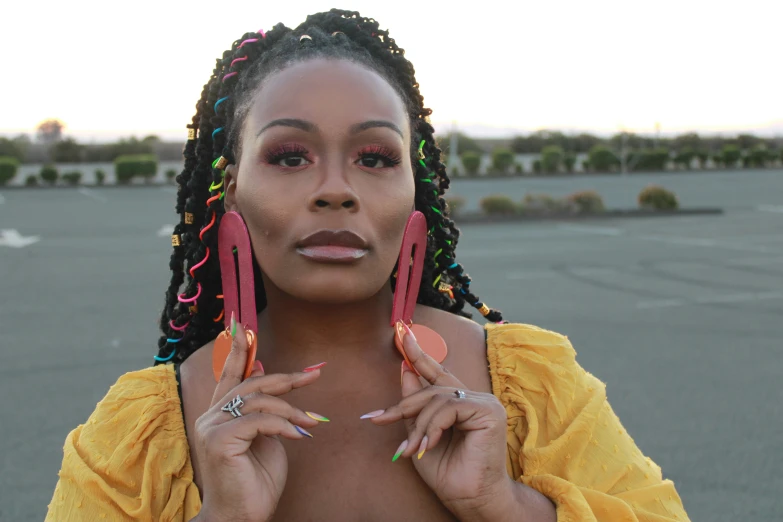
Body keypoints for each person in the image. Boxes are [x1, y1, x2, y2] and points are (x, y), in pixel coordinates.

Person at [46, 9, 690, 521]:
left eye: (376, 157)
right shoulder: (140, 428)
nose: (336, 189)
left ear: (418, 189)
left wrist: (504, 506)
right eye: (290, 156)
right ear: (231, 190)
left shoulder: (532, 385)